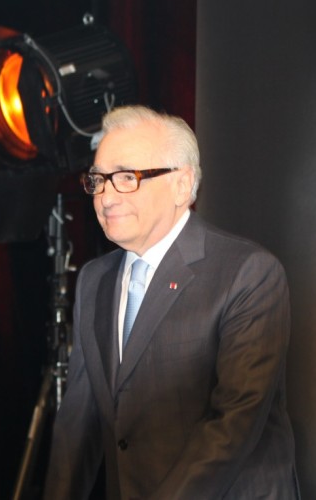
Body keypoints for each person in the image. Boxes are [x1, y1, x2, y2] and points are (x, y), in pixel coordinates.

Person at [43, 105, 300, 499]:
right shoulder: (94, 280)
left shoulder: (247, 273)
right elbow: (78, 425)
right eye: (98, 180)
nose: (106, 197)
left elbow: (233, 424)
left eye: (126, 177)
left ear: (182, 184)